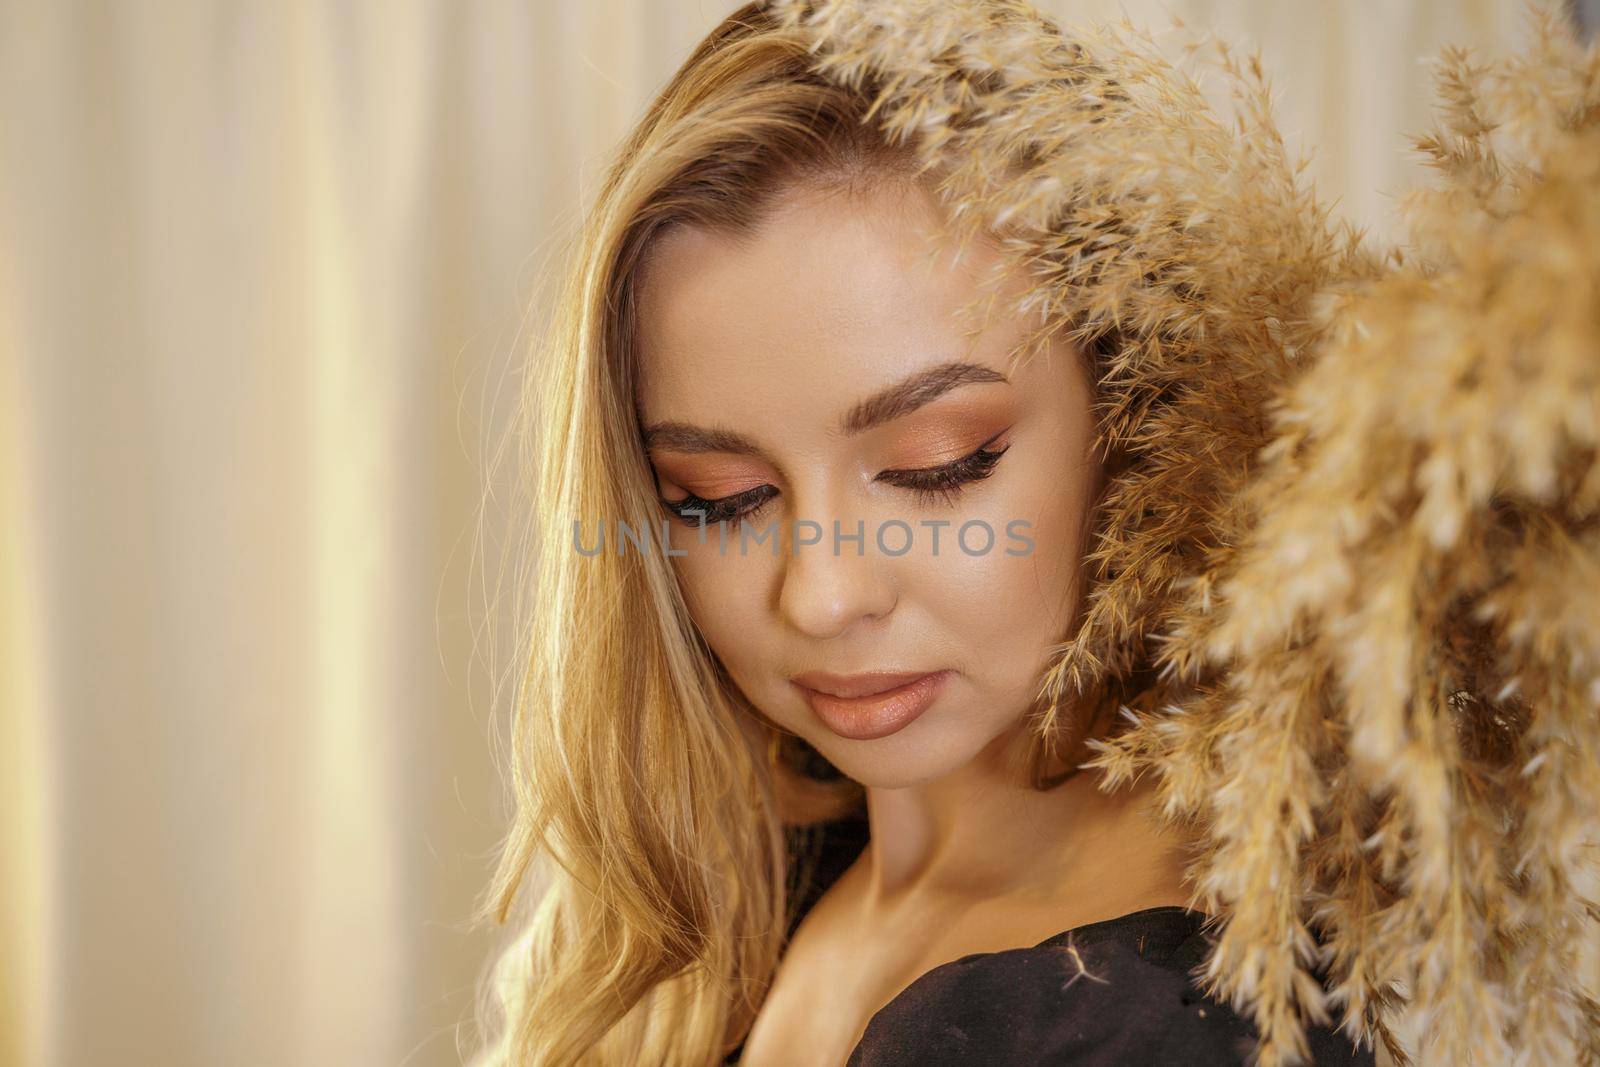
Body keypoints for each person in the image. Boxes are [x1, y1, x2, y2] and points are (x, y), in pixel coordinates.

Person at [471, 2, 1600, 1065]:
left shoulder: (1157, 1019)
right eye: (717, 494)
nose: (819, 596)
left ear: (1136, 416)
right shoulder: (768, 885)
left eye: (936, 465)